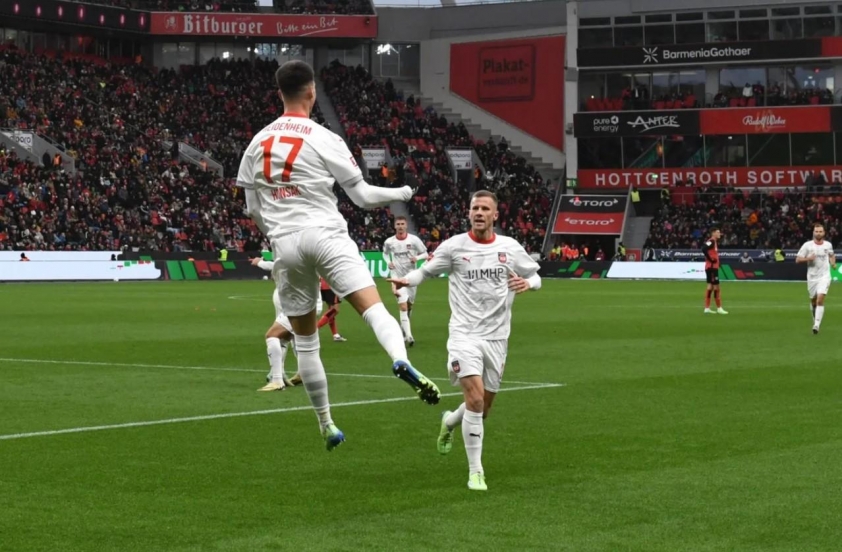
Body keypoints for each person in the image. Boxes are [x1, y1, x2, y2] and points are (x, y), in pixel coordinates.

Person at [237, 60, 440, 451]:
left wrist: (276, 235)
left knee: (307, 342)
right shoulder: (323, 136)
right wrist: (400, 193)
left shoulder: (256, 142)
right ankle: (401, 359)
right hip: (326, 234)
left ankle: (327, 424)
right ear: (311, 91)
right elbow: (362, 197)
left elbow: (252, 208)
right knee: (374, 309)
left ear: (280, 93)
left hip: (286, 244)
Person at [388, 191, 541, 492]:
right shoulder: (455, 246)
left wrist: (528, 284)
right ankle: (476, 472)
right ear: (469, 213)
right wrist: (408, 281)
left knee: (482, 408)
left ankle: (449, 422)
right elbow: (427, 271)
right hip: (463, 335)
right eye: (475, 208)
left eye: (485, 208)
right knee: (474, 398)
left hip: (497, 338)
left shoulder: (509, 248)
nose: (479, 212)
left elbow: (537, 276)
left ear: (496, 215)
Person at [382, 215, 429, 346]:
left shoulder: (414, 240)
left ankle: (404, 331)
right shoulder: (389, 242)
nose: (400, 226)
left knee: (409, 305)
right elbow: (385, 253)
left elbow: (426, 254)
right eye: (398, 224)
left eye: (402, 224)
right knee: (402, 305)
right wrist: (388, 262)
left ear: (406, 225)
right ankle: (409, 336)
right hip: (396, 276)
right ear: (394, 226)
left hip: (411, 277)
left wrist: (417, 258)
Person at [251, 257, 294, 391]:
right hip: (302, 299)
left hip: (291, 299)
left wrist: (259, 262)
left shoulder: (292, 252)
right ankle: (280, 373)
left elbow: (277, 264)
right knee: (286, 337)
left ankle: (276, 377)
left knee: (273, 335)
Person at [796, 222, 836, 334]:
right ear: (813, 232)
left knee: (820, 299)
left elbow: (832, 255)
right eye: (816, 231)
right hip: (812, 277)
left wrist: (833, 264)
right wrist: (808, 258)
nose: (818, 233)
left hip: (825, 276)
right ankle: (815, 320)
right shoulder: (807, 245)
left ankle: (816, 325)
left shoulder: (828, 245)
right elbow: (798, 260)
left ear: (824, 233)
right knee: (813, 301)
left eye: (820, 231)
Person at [702, 228, 728, 315]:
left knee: (710, 287)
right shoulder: (712, 241)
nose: (719, 233)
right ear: (713, 233)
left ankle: (707, 308)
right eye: (718, 232)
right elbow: (703, 249)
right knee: (716, 288)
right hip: (712, 268)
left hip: (711, 267)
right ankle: (719, 308)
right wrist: (711, 260)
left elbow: (711, 253)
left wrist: (717, 263)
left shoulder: (714, 242)